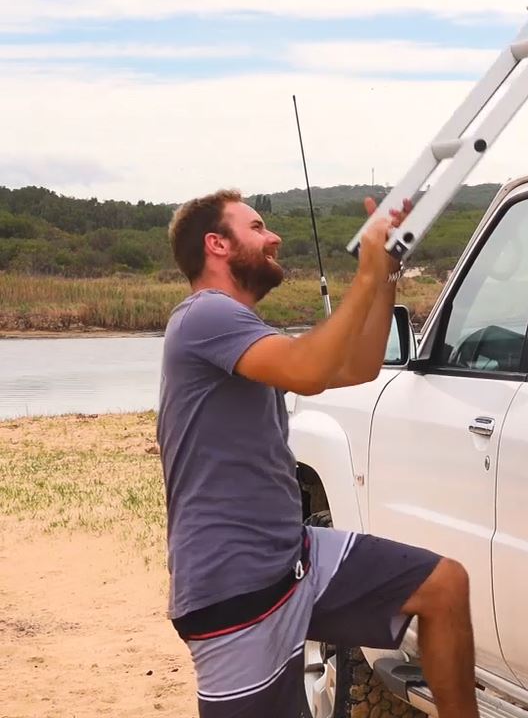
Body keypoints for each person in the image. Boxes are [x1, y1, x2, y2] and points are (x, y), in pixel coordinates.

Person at [157, 189, 479, 717]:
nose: (273, 236)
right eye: (257, 227)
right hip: (233, 589)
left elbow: (357, 367)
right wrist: (367, 274)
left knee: (442, 586)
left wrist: (388, 272)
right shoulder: (204, 317)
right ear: (217, 244)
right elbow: (308, 369)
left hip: (293, 557)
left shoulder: (239, 330)